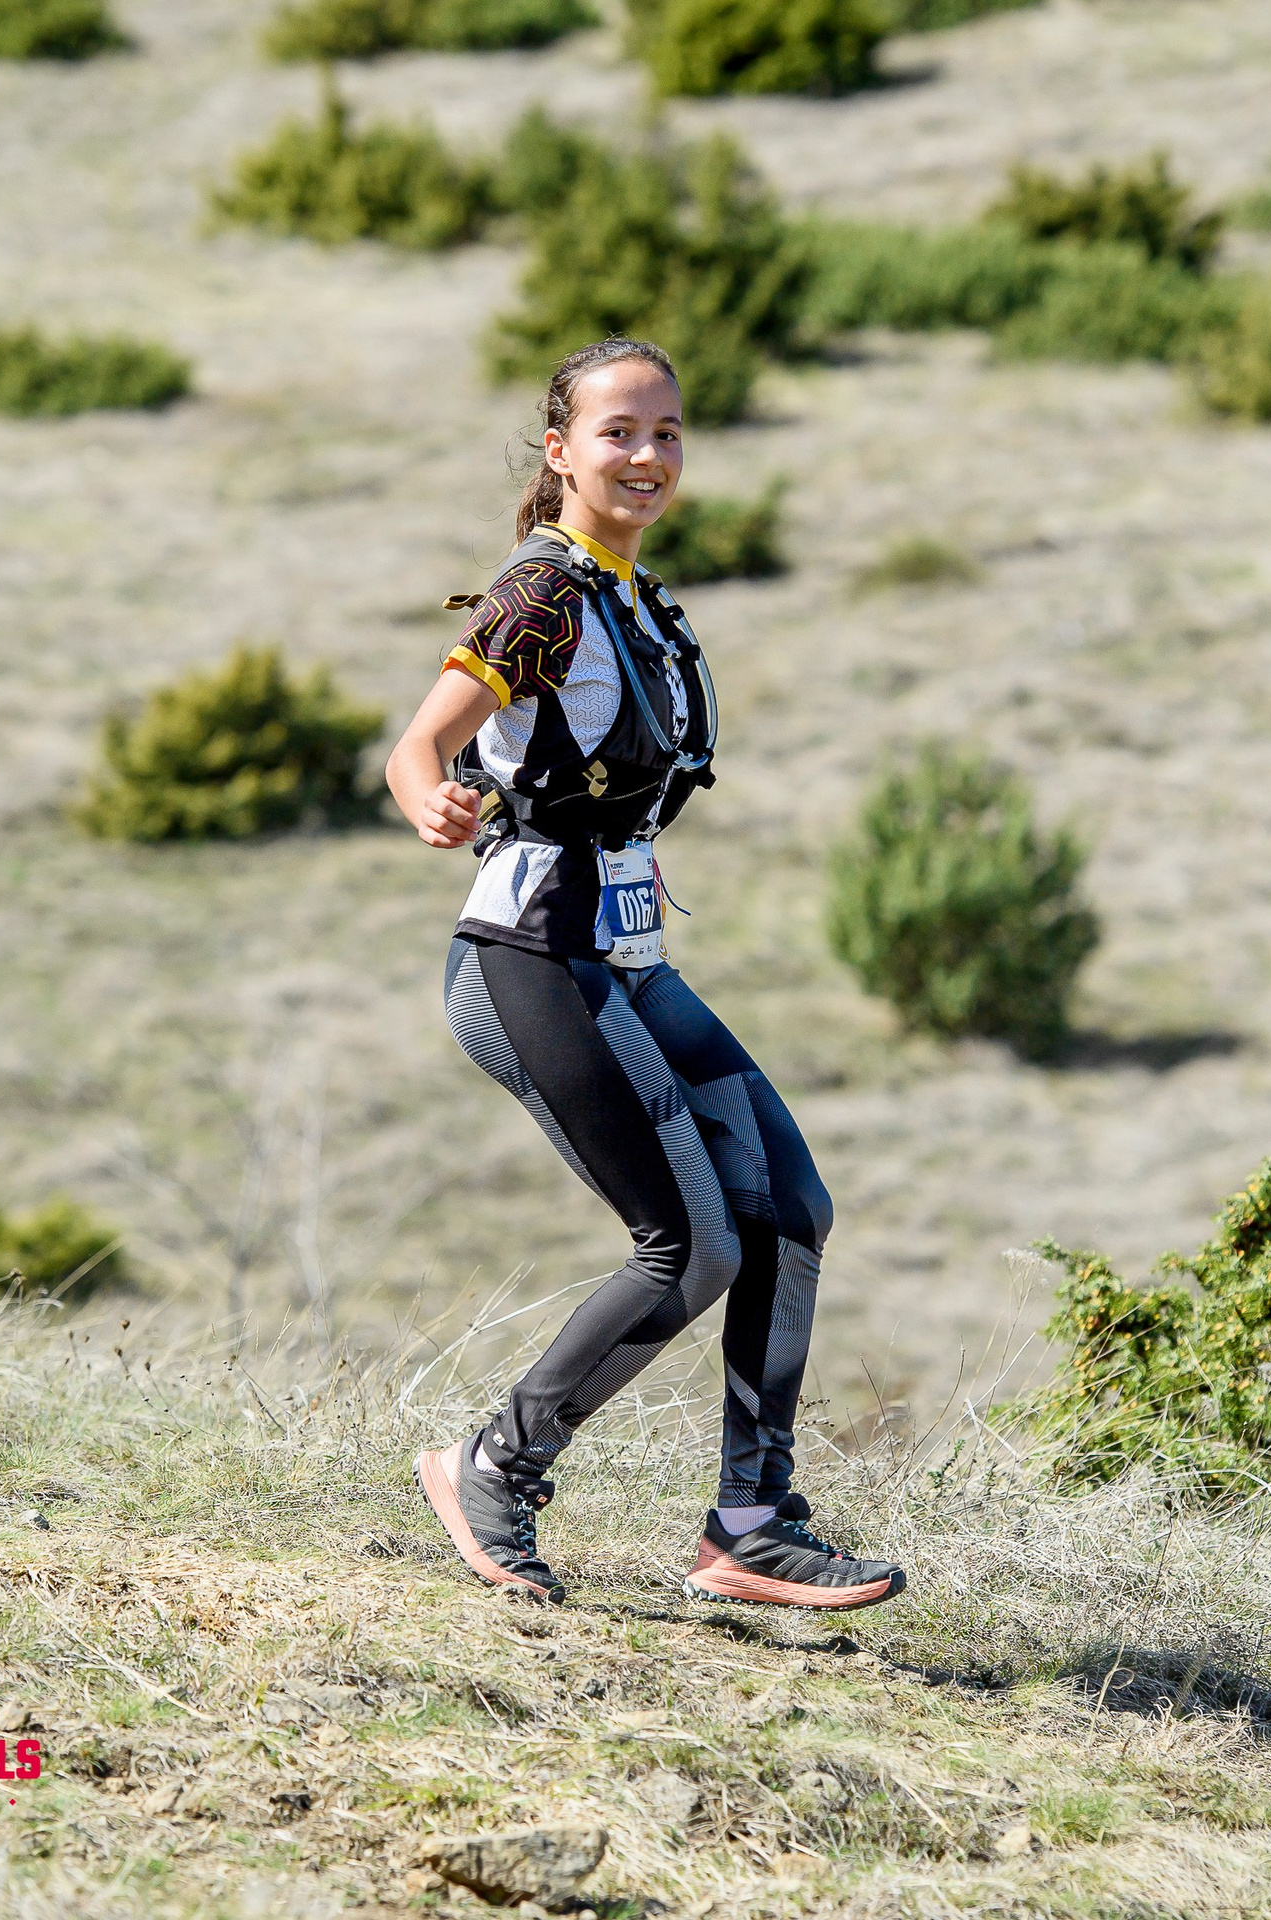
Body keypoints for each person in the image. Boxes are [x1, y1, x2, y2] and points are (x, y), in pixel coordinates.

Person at [385, 337, 905, 1612]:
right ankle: (491, 1466)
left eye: (667, 432)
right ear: (559, 450)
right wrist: (430, 804)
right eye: (620, 432)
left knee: (789, 1207)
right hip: (531, 960)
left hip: (622, 957)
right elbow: (420, 744)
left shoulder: (635, 595)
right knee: (688, 1247)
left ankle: (751, 1525)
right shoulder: (543, 596)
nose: (649, 456)